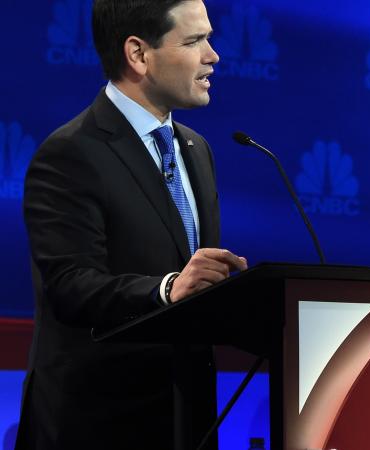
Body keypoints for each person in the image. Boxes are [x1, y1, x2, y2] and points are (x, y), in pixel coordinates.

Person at [16, 1, 247, 448]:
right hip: (98, 427)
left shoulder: (196, 149)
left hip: (187, 424)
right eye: (195, 40)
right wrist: (166, 288)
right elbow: (70, 286)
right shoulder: (70, 153)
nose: (213, 55)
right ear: (139, 54)